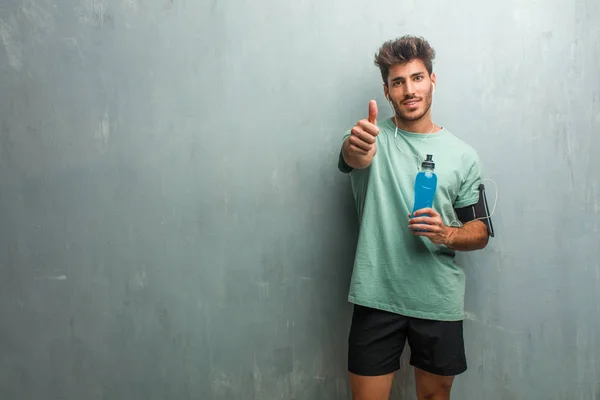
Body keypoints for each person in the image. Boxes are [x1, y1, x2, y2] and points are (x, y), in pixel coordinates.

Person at [338, 35, 494, 400]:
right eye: (398, 82)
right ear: (387, 90)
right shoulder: (369, 137)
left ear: (432, 81)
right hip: (377, 297)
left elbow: (481, 231)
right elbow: (353, 156)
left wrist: (448, 234)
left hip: (438, 300)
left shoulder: (464, 155)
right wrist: (356, 149)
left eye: (417, 77)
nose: (409, 89)